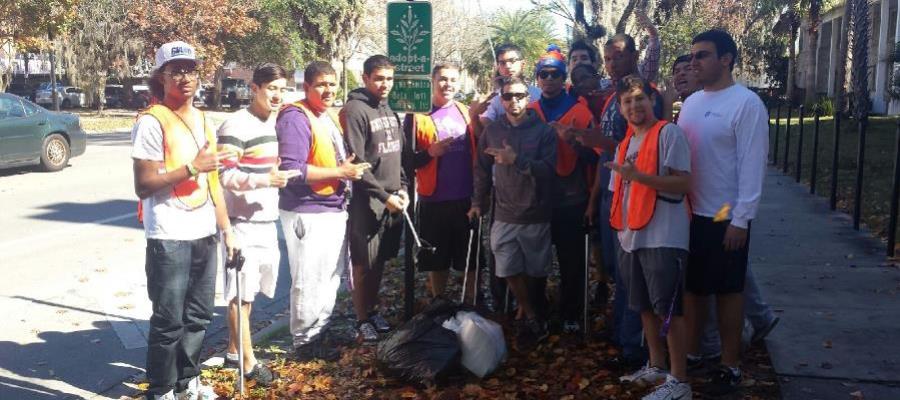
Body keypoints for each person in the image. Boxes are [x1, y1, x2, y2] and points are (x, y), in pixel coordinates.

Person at [131, 41, 236, 400]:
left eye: (190, 69)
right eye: (175, 70)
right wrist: (192, 167)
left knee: (199, 316)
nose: (184, 77)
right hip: (168, 235)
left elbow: (214, 182)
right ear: (160, 76)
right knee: (168, 320)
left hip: (204, 231)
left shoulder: (205, 119)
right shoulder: (152, 121)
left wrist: (227, 231)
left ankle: (186, 382)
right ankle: (160, 390)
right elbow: (144, 184)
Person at [677, 29, 769, 395]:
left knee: (729, 291)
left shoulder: (746, 104)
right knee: (695, 290)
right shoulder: (691, 103)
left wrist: (740, 218)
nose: (694, 62)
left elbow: (752, 165)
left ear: (726, 59)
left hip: (724, 214)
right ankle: (697, 351)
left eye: (702, 55)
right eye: (693, 55)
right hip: (689, 215)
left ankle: (730, 363)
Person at [606, 74, 692, 399]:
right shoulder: (624, 144)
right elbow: (619, 191)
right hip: (631, 238)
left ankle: (679, 380)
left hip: (664, 237)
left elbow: (684, 184)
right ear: (620, 107)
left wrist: (639, 176)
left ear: (652, 100)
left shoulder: (668, 134)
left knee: (668, 310)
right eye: (627, 101)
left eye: (640, 98)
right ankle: (656, 366)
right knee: (642, 306)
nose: (634, 105)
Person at [276, 61, 370, 358]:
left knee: (329, 276)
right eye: (321, 85)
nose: (328, 90)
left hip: (331, 207)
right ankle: (304, 342)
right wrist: (341, 173)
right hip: (308, 210)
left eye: (332, 84)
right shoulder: (295, 117)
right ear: (307, 87)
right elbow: (292, 169)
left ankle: (320, 332)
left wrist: (346, 169)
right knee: (309, 278)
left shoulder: (324, 115)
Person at [585, 32, 666, 367]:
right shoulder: (612, 96)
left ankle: (634, 346)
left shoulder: (645, 95)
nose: (611, 63)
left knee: (631, 274)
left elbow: (635, 144)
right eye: (607, 58)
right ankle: (621, 333)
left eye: (617, 56)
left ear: (634, 55)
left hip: (636, 196)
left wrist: (596, 139)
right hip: (610, 192)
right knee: (620, 271)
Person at [217, 63, 294, 385]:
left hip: (267, 220)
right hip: (241, 223)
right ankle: (249, 365)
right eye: (271, 89)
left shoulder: (278, 122)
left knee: (249, 298)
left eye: (281, 89)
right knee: (239, 296)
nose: (277, 95)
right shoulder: (235, 124)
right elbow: (223, 175)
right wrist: (264, 180)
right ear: (255, 89)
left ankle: (233, 352)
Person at [469, 76, 557, 350]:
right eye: (507, 96)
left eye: (519, 95)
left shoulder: (543, 132)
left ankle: (533, 316)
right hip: (503, 213)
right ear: (501, 100)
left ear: (528, 98)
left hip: (535, 213)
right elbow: (482, 169)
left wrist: (516, 160)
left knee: (535, 271)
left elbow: (549, 172)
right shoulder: (492, 130)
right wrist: (477, 202)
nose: (513, 101)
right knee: (506, 268)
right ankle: (530, 314)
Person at [528, 45, 597, 332]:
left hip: (572, 197)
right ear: (537, 78)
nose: (549, 79)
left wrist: (572, 142)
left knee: (572, 263)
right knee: (536, 262)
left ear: (563, 76)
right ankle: (537, 312)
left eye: (555, 74)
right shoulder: (528, 110)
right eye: (543, 74)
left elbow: (596, 157)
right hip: (534, 199)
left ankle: (571, 313)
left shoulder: (580, 112)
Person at [341, 55, 409, 342]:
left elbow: (399, 156)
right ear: (366, 78)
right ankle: (361, 319)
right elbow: (357, 163)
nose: (385, 84)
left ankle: (372, 309)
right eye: (379, 78)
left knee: (381, 260)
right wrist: (383, 196)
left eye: (389, 79)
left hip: (394, 199)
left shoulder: (388, 109)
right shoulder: (355, 109)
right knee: (363, 262)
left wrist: (403, 188)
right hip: (367, 200)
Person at [404, 63, 478, 302]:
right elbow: (405, 161)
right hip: (433, 199)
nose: (448, 84)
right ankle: (439, 302)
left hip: (465, 199)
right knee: (438, 258)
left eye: (453, 80)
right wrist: (429, 153)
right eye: (443, 79)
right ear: (433, 81)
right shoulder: (416, 116)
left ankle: (471, 302)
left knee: (470, 257)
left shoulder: (465, 112)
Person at [469, 43, 543, 136]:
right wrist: (474, 116)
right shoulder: (492, 100)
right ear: (498, 67)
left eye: (512, 61)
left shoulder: (539, 95)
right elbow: (483, 133)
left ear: (523, 64)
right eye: (502, 63)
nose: (507, 66)